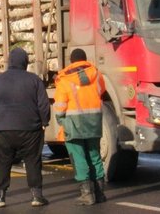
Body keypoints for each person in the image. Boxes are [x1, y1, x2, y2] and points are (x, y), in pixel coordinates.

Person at [0, 48, 50, 208]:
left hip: (4, 129)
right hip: (30, 129)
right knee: (33, 161)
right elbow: (43, 104)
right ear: (25, 63)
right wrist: (44, 122)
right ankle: (36, 196)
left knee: (3, 162)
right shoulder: (34, 80)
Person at [53, 49, 107, 205]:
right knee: (95, 156)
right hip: (94, 122)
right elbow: (101, 91)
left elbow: (60, 105)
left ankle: (87, 195)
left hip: (73, 124)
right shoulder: (96, 74)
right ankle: (100, 193)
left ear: (71, 61)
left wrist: (60, 119)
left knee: (79, 158)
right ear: (85, 59)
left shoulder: (64, 79)